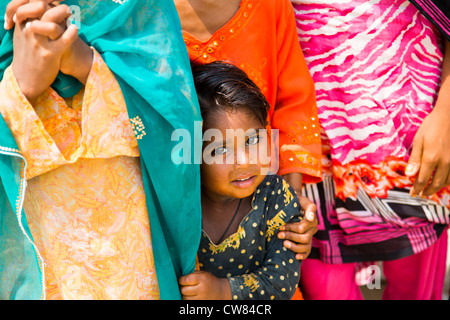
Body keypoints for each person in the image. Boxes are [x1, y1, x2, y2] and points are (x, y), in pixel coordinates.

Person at [0, 0, 202, 300]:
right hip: (41, 267)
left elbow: (181, 133)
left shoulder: (142, 8)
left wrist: (84, 63)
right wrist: (19, 88)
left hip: (136, 266)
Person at [291, 0, 450, 299]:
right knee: (324, 284)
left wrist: (446, 112)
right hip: (307, 155)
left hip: (411, 148)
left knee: (413, 288)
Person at [173, 0, 321, 261]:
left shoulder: (272, 7)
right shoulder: (140, 12)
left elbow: (294, 101)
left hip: (259, 213)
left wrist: (291, 199)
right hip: (172, 218)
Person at [178, 61, 302, 300]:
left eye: (253, 141)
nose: (244, 162)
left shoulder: (276, 197)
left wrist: (222, 291)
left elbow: (282, 283)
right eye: (220, 150)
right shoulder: (177, 202)